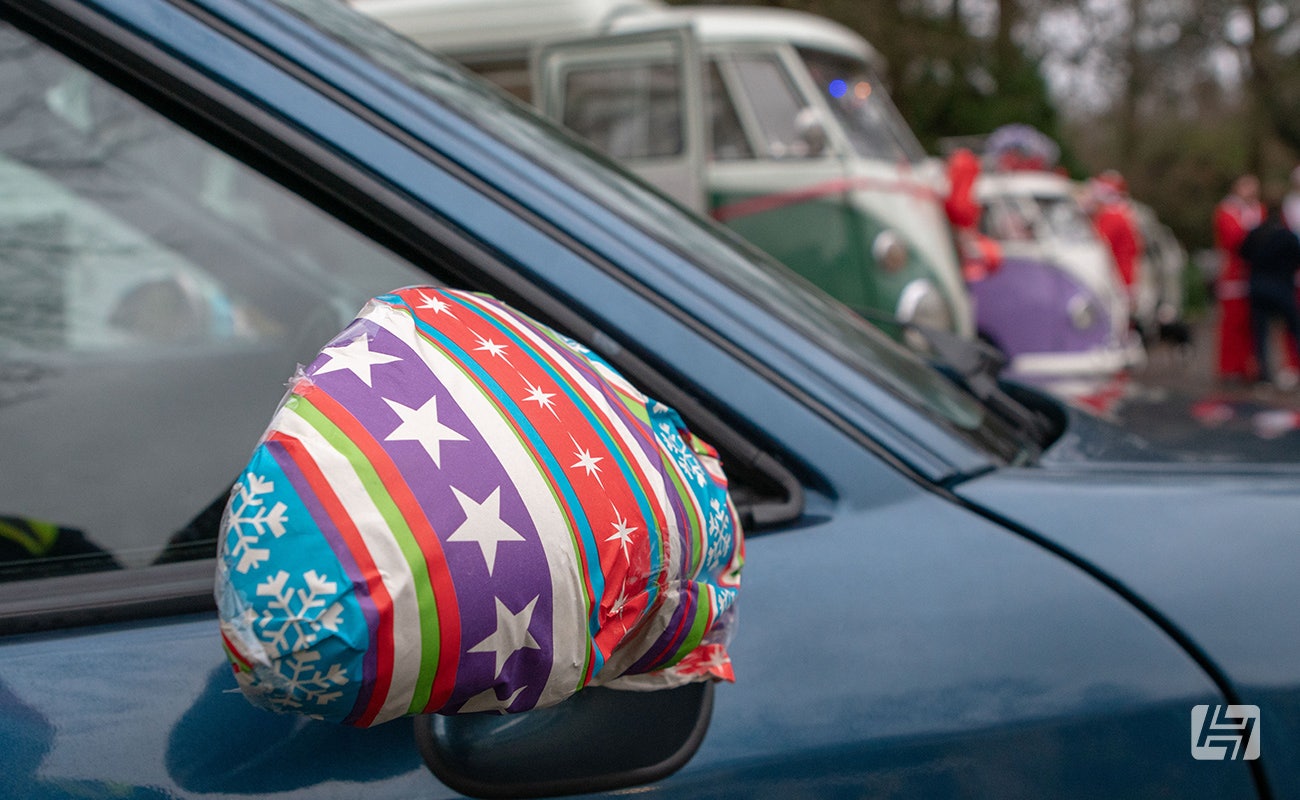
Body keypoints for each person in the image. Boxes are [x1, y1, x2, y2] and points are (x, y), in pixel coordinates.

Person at [1238, 191, 1300, 387]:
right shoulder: (1287, 235)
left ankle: (1263, 376)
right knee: (1294, 330)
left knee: (1260, 334)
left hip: (1258, 287)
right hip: (1282, 288)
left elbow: (1243, 253)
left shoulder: (1255, 233)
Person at [1213, 174, 1263, 382]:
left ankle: (1247, 365)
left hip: (1256, 272)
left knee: (1251, 324)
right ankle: (1230, 367)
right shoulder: (1227, 211)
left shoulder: (1258, 209)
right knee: (1232, 323)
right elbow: (1234, 239)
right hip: (1234, 274)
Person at [1090, 170, 1143, 310]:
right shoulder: (1124, 213)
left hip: (1117, 281)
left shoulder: (1112, 216)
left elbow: (1097, 244)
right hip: (1124, 279)